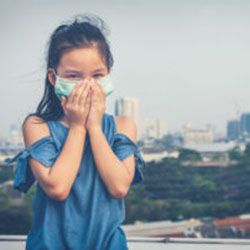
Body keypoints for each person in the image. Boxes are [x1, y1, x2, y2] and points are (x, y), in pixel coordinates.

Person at [4, 14, 145, 250]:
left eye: (97, 75)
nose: (87, 85)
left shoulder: (123, 125)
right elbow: (57, 188)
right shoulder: (37, 126)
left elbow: (119, 187)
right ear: (53, 77)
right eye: (73, 76)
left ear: (108, 74)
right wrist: (78, 127)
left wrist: (95, 128)